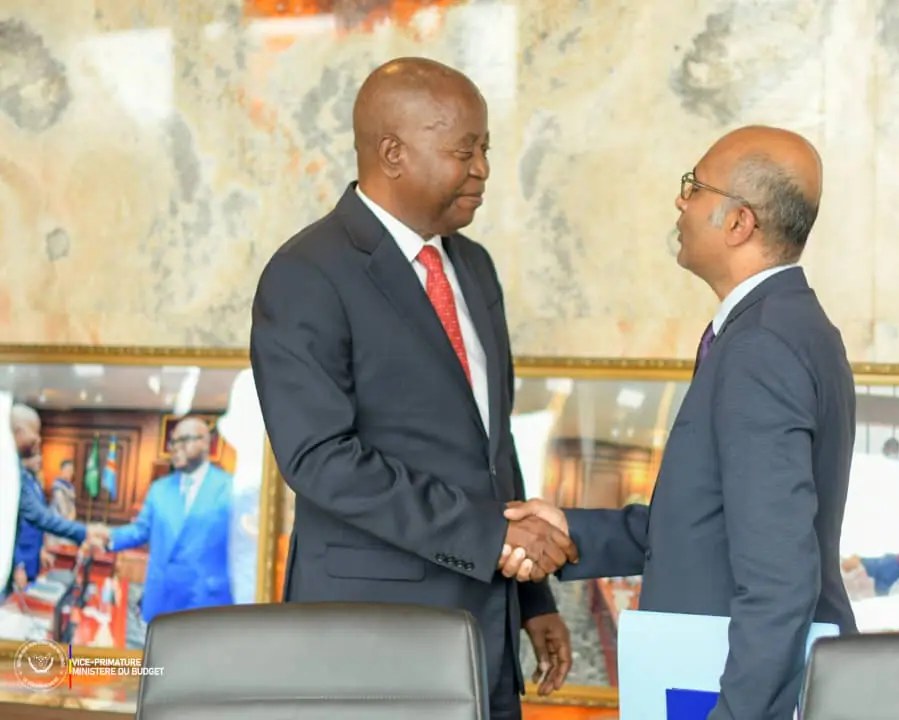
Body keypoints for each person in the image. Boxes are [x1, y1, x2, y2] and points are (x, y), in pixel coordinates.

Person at [249, 57, 576, 720]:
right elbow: (320, 458)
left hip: (486, 626)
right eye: (465, 150)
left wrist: (531, 597)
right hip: (372, 640)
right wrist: (490, 537)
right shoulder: (307, 272)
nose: (483, 169)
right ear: (392, 153)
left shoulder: (474, 267)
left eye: (486, 149)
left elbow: (492, 448)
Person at [500, 126, 858, 720]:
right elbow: (713, 523)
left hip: (730, 690)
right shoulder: (782, 326)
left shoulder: (761, 346)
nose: (680, 201)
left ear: (739, 222)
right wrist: (571, 529)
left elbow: (779, 577)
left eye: (694, 187)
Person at [90, 417, 234, 625]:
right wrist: (109, 537)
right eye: (173, 442)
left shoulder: (230, 487)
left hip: (205, 603)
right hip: (161, 599)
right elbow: (141, 530)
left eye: (183, 440)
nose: (175, 448)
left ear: (205, 442)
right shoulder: (159, 489)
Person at [8, 404, 98, 591]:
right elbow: (35, 519)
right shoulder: (10, 472)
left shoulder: (25, 476)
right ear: (19, 431)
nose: (39, 439)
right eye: (35, 432)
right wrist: (86, 532)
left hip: (28, 558)